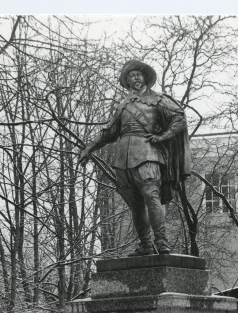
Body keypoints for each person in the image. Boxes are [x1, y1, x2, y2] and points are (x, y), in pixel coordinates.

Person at [79, 59, 191, 256]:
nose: (135, 78)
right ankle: (146, 244)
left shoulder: (158, 99)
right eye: (131, 76)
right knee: (135, 204)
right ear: (127, 81)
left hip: (148, 153)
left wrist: (163, 136)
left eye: (138, 74)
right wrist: (90, 148)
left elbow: (179, 118)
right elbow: (109, 132)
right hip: (123, 158)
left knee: (151, 196)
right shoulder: (123, 105)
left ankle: (162, 242)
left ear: (145, 77)